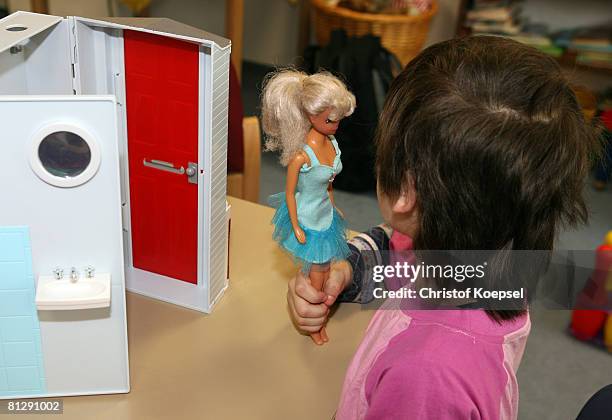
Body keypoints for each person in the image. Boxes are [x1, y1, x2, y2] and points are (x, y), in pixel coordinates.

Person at [286, 36, 599, 419]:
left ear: (407, 191)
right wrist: (347, 270)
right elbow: (398, 250)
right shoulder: (494, 247)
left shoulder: (424, 378)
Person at [261, 70, 356, 344]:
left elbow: (328, 184)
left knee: (325, 272)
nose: (336, 124)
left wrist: (333, 206)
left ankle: (317, 315)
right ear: (309, 117)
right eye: (329, 119)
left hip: (325, 214)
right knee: (317, 275)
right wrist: (295, 225)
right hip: (307, 218)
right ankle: (316, 324)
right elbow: (291, 194)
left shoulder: (333, 144)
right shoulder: (302, 157)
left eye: (338, 118)